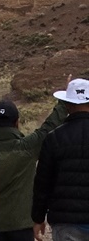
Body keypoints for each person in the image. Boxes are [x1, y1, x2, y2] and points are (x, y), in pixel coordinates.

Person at [0, 91, 68, 240]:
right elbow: (50, 126)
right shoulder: (28, 147)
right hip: (23, 225)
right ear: (17, 122)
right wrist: (64, 101)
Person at [32, 77, 89, 241]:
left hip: (66, 222)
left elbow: (42, 183)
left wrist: (37, 218)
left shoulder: (54, 138)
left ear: (67, 104)